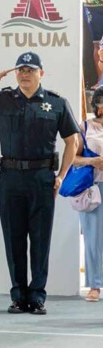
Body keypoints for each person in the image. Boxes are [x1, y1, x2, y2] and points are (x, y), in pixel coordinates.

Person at [0, 51, 80, 315]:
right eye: (20, 70)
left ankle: (37, 297)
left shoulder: (56, 103)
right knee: (13, 239)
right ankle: (18, 296)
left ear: (41, 73)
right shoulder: (3, 99)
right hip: (11, 177)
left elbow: (73, 141)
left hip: (42, 179)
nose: (24, 74)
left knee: (40, 239)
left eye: (30, 70)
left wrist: (61, 176)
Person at [76, 87, 103, 302]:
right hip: (94, 189)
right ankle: (95, 285)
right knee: (93, 238)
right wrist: (92, 161)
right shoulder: (85, 127)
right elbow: (72, 158)